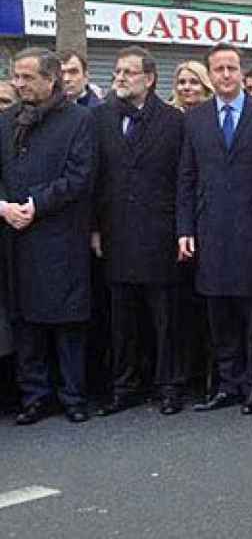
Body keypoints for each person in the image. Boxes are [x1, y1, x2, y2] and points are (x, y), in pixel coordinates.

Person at [177, 42, 252, 415]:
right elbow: (187, 177)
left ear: (241, 72)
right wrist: (184, 228)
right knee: (218, 312)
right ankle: (228, 384)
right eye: (219, 69)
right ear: (211, 74)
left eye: (232, 68)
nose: (225, 75)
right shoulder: (195, 119)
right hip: (211, 229)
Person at [92, 46, 187, 417]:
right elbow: (94, 179)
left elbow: (183, 180)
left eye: (128, 72)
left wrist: (183, 230)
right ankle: (124, 385)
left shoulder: (174, 121)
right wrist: (94, 228)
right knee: (122, 318)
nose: (119, 77)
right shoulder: (99, 119)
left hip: (159, 233)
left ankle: (169, 385)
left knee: (165, 318)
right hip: (115, 232)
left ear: (149, 79)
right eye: (117, 71)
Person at [1, 48, 95, 425]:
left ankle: (73, 395)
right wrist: (5, 206)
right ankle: (35, 396)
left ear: (51, 78)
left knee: (67, 320)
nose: (19, 84)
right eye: (16, 77)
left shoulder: (79, 120)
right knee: (25, 320)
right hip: (15, 233)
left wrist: (35, 205)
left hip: (59, 232)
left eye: (27, 77)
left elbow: (79, 175)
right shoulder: (6, 121)